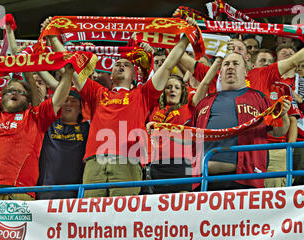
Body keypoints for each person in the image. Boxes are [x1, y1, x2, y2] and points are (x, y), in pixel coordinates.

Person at [42, 16, 196, 198]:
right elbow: (71, 64)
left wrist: (186, 38)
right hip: (94, 162)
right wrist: (52, 36)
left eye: (127, 64)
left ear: (135, 74)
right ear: (111, 73)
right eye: (117, 64)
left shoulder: (143, 94)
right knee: (91, 218)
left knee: (123, 218)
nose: (121, 66)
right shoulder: (97, 93)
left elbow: (168, 65)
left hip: (128, 161)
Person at [0, 64, 75, 200]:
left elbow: (58, 99)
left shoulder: (36, 117)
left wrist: (68, 73)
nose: (14, 93)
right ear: (1, 98)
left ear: (27, 101)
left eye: (20, 92)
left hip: (18, 193)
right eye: (9, 91)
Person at [188, 52, 291, 190]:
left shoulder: (260, 98)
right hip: (203, 182)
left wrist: (283, 114)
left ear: (245, 72)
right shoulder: (204, 102)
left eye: (235, 64)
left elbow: (279, 132)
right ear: (220, 72)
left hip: (244, 181)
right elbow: (188, 135)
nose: (230, 67)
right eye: (226, 64)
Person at [36, 89, 89, 199]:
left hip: (75, 192)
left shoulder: (88, 128)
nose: (68, 104)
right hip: (45, 190)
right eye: (65, 101)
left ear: (80, 108)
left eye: (73, 101)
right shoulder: (47, 124)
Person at [146, 75, 194, 194]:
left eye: (177, 87)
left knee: (183, 203)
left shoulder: (188, 106)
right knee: (160, 204)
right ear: (163, 91)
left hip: (182, 163)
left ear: (182, 91)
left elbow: (204, 83)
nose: (173, 90)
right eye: (168, 87)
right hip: (156, 163)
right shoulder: (154, 107)